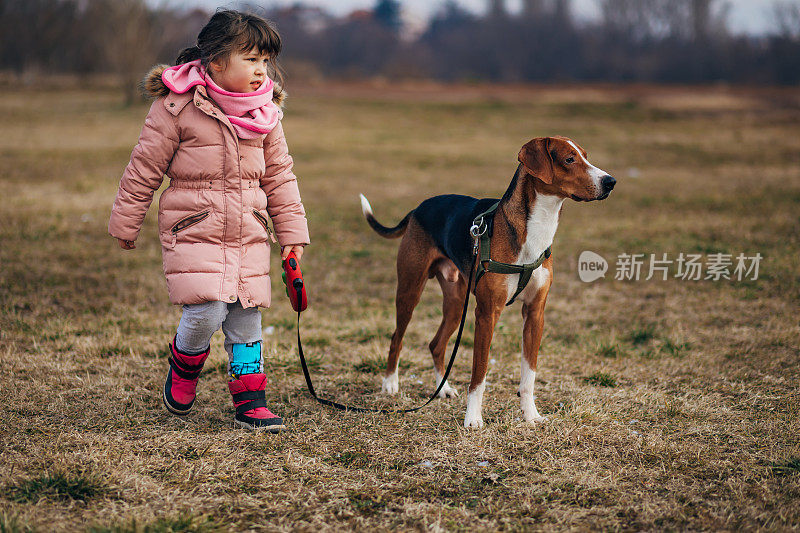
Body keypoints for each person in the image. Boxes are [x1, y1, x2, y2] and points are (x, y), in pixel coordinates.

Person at [108, 10, 309, 432]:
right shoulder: (177, 106)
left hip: (248, 230)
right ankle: (184, 365)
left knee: (246, 314)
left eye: (265, 61)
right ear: (216, 61)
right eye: (251, 59)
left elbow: (280, 175)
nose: (262, 70)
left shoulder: (265, 113)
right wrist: (127, 221)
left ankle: (250, 397)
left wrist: (292, 234)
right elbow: (144, 167)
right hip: (195, 227)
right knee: (207, 311)